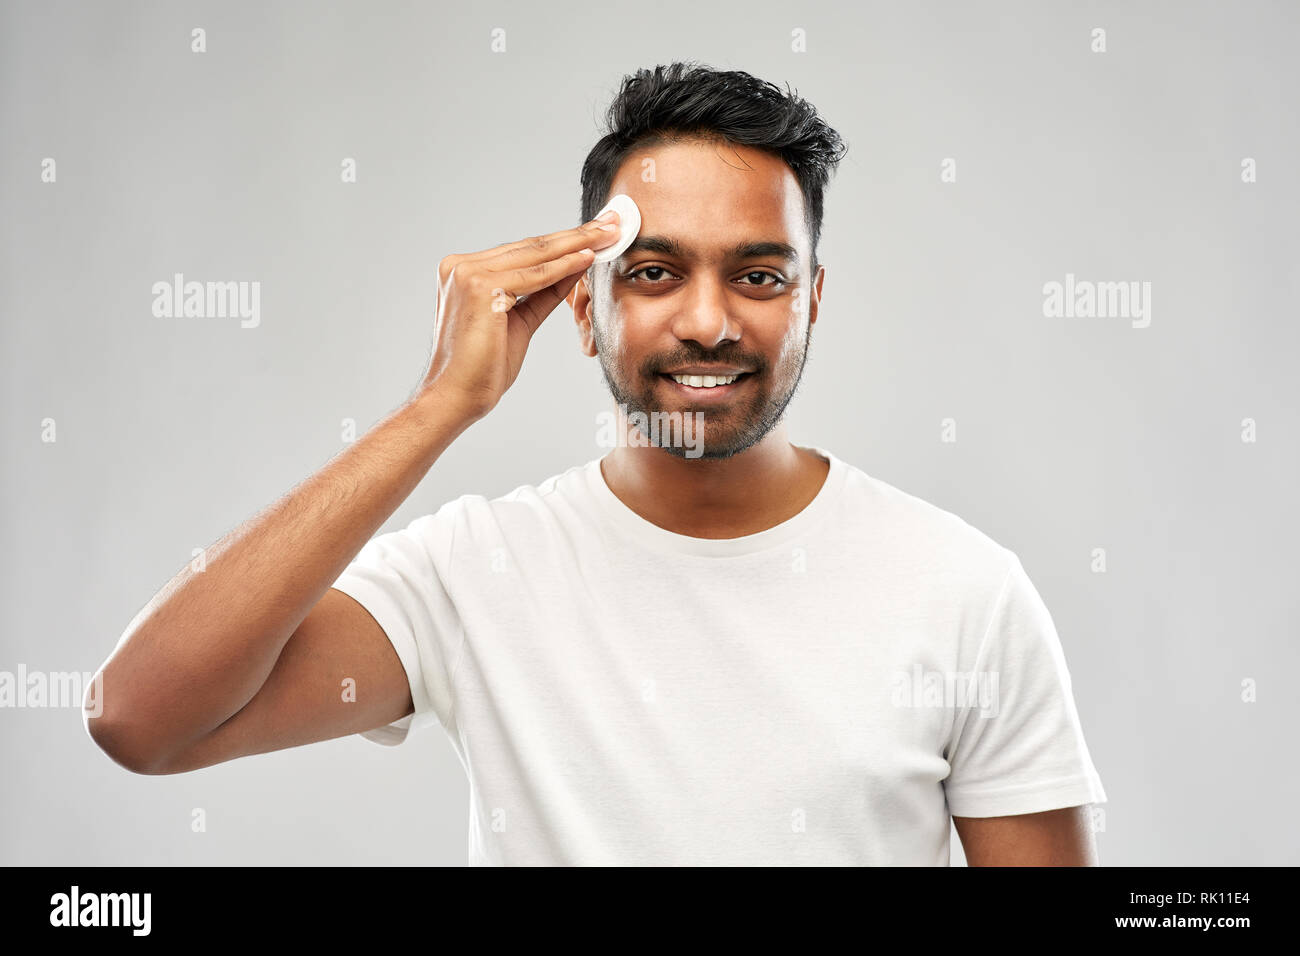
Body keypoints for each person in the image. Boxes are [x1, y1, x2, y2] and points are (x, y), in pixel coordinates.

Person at [87, 61, 1106, 866]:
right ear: (583, 305)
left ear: (810, 300)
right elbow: (143, 720)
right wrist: (441, 404)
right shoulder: (473, 573)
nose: (708, 321)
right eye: (655, 272)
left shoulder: (963, 589)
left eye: (758, 275)